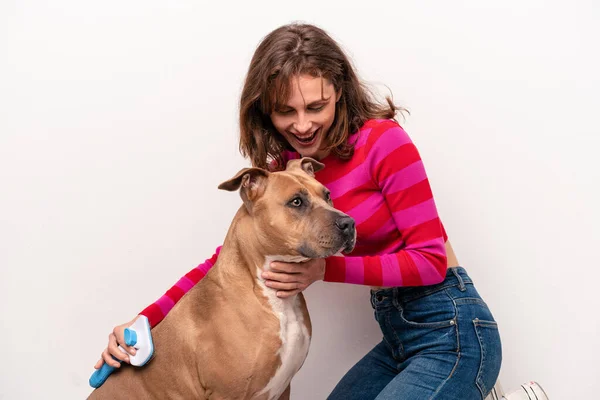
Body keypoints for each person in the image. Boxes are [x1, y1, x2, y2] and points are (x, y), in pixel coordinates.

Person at [93, 22, 502, 399]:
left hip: (452, 329)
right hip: (396, 335)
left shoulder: (384, 143)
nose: (302, 125)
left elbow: (430, 261)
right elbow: (226, 260)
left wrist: (324, 270)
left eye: (315, 106)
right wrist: (140, 324)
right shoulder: (286, 175)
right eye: (286, 111)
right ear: (266, 110)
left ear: (338, 92)